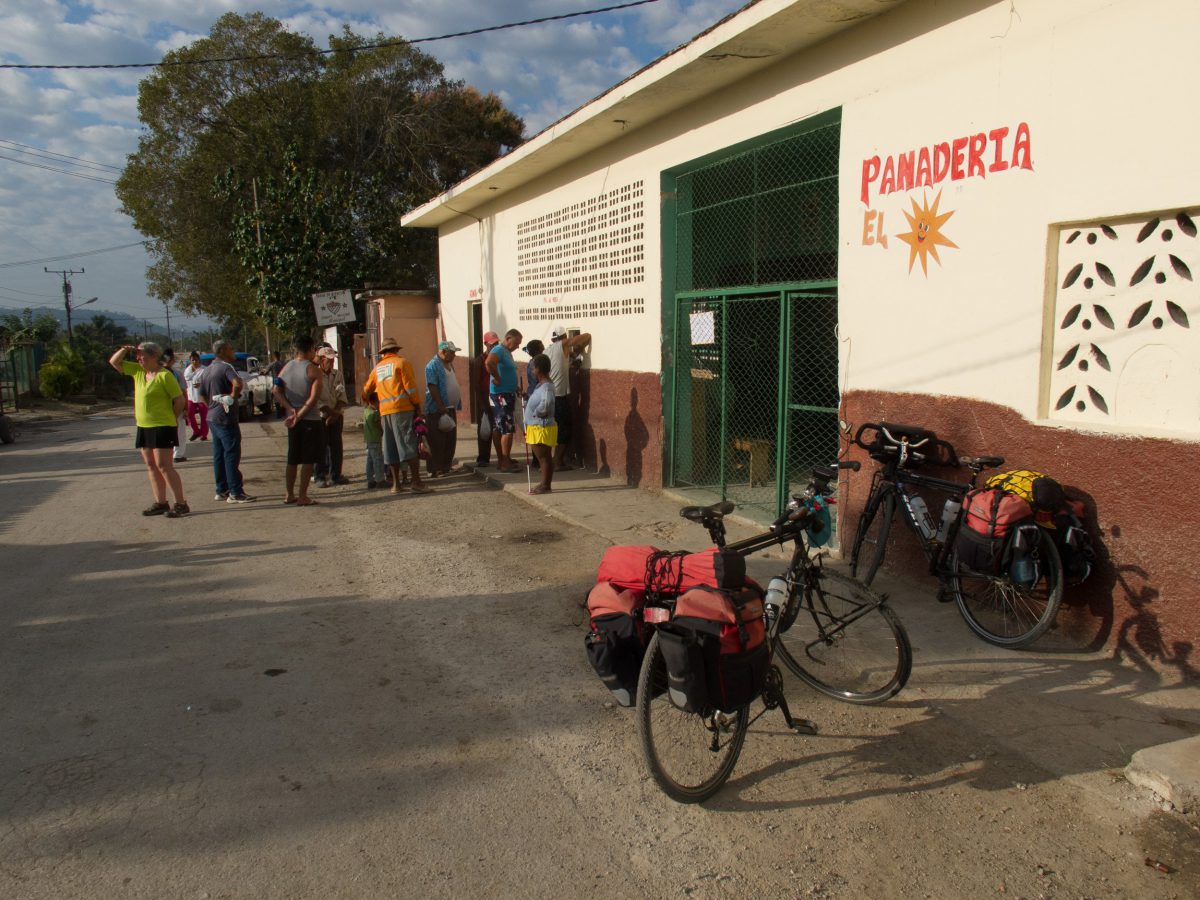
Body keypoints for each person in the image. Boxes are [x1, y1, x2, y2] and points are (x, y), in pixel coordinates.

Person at [108, 341, 190, 517]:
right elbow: (114, 363)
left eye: (142, 356)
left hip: (163, 426)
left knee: (164, 465)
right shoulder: (138, 372)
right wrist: (124, 349)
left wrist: (172, 419)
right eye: (137, 356)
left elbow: (179, 400)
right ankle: (161, 502)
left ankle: (180, 503)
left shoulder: (164, 376)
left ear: (154, 356)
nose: (138, 359)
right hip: (144, 426)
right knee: (151, 465)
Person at [361, 336, 432, 495]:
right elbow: (411, 387)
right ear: (396, 350)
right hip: (402, 409)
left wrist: (368, 402)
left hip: (385, 411)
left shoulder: (377, 368)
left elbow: (366, 390)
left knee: (390, 447)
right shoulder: (402, 363)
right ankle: (416, 482)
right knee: (408, 444)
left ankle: (396, 485)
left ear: (383, 352)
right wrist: (417, 405)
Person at [199, 338, 255, 504]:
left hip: (212, 417)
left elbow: (201, 393)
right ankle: (235, 492)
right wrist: (231, 397)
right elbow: (237, 383)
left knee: (219, 454)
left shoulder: (207, 370)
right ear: (222, 351)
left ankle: (221, 489)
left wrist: (210, 406)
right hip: (225, 417)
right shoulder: (226, 367)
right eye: (231, 349)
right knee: (231, 454)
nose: (233, 352)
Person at [273, 335, 325, 506]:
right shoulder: (313, 370)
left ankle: (289, 494)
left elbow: (276, 390)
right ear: (310, 350)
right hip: (309, 419)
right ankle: (302, 495)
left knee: (292, 458)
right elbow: (313, 399)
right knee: (308, 459)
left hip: (292, 419)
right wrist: (300, 414)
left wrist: (290, 409)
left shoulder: (285, 368)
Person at [545, 325, 592, 471]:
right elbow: (587, 335)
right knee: (564, 430)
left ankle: (553, 460)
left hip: (549, 394)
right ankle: (557, 462)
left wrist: (573, 355)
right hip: (559, 396)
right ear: (563, 338)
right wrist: (580, 348)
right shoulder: (562, 345)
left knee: (554, 429)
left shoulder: (548, 350)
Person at [486, 328, 523, 473]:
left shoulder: (506, 352)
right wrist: (496, 377)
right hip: (501, 395)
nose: (518, 346)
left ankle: (503, 459)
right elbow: (489, 363)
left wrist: (515, 387)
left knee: (499, 428)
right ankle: (505, 462)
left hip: (506, 392)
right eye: (516, 343)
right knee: (507, 429)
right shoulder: (499, 350)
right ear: (508, 339)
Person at [424, 340, 463, 478]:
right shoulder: (433, 365)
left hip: (450, 407)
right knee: (437, 440)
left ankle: (446, 466)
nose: (454, 355)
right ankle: (436, 468)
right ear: (443, 352)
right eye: (452, 352)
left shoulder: (449, 364)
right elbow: (432, 386)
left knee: (450, 439)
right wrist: (440, 406)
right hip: (437, 409)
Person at [313, 346, 349, 487]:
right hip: (322, 415)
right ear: (322, 360)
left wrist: (335, 413)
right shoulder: (315, 375)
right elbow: (316, 398)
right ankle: (320, 476)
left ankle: (336, 475)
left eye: (333, 360)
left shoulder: (337, 374)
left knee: (336, 447)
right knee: (321, 447)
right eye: (329, 360)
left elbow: (341, 394)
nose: (332, 362)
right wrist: (329, 412)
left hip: (336, 414)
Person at [524, 354, 557, 494]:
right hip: (536, 425)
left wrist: (536, 413)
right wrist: (526, 398)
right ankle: (544, 483)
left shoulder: (547, 387)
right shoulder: (541, 385)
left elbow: (547, 404)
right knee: (543, 458)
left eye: (533, 368)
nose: (532, 371)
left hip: (541, 426)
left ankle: (546, 485)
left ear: (539, 369)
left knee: (544, 458)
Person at [473, 331, 499, 468]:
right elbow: (476, 384)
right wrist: (482, 403)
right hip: (485, 398)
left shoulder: (498, 357)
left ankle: (502, 456)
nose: (494, 346)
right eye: (492, 344)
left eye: (496, 343)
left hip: (497, 397)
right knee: (485, 429)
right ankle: (483, 457)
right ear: (485, 344)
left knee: (498, 428)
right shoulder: (480, 360)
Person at [162, 347, 189, 462]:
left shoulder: (154, 373)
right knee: (179, 432)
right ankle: (178, 455)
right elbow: (183, 392)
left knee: (164, 432)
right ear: (172, 360)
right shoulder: (176, 374)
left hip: (162, 408)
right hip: (176, 406)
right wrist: (186, 408)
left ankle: (165, 455)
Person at [183, 351, 209, 442]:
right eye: (192, 360)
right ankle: (196, 431)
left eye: (196, 360)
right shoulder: (187, 370)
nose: (194, 361)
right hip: (190, 396)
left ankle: (204, 434)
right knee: (189, 414)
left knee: (204, 417)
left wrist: (201, 384)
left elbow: (209, 382)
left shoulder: (204, 370)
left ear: (199, 360)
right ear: (190, 361)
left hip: (201, 397)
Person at [362, 390, 385, 488]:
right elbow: (378, 425)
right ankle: (380, 480)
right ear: (375, 402)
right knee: (378, 460)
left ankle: (370, 480)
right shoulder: (375, 413)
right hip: (375, 439)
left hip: (368, 439)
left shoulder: (366, 411)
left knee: (370, 461)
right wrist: (382, 431)